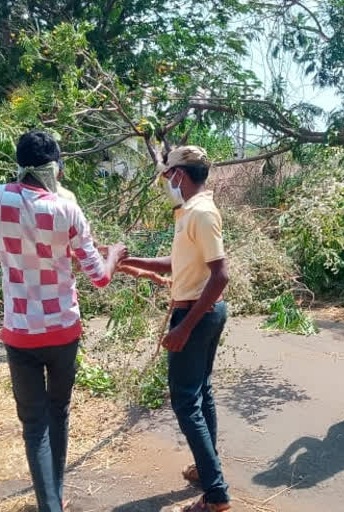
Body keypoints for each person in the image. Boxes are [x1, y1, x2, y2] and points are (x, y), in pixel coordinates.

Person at [0, 130, 127, 512]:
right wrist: (117, 254)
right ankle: (55, 496)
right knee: (58, 411)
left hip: (21, 333)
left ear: (20, 165)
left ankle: (50, 504)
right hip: (63, 329)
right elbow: (100, 277)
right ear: (55, 168)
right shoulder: (67, 209)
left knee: (34, 424)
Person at [120, 146, 231, 512]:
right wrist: (129, 261)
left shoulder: (200, 213)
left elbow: (220, 276)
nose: (167, 182)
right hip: (200, 314)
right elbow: (176, 263)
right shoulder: (189, 214)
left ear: (180, 175)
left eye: (169, 176)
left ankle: (215, 495)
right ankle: (205, 469)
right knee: (202, 392)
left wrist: (184, 329)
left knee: (186, 403)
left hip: (197, 316)